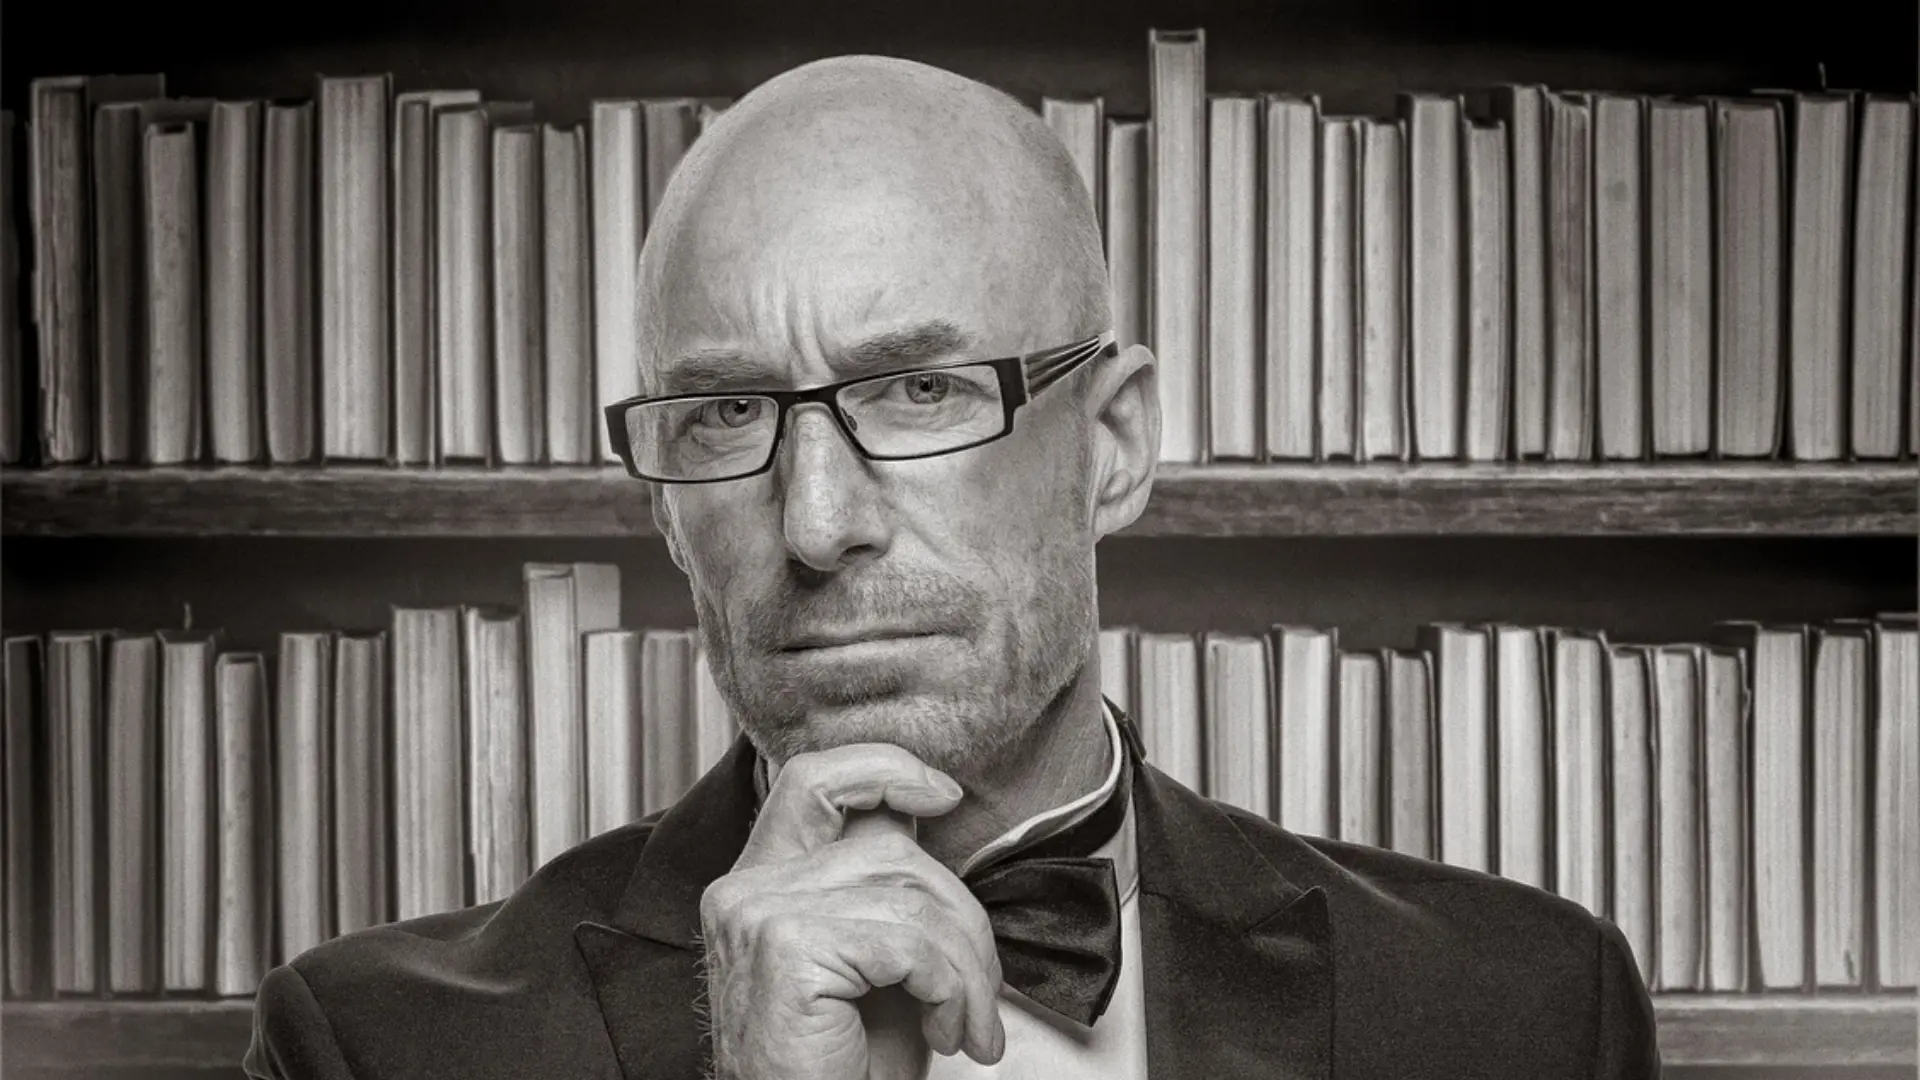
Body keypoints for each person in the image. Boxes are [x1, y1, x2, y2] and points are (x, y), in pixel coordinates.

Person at [243, 54, 1660, 1080]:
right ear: (665, 506)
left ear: (1113, 445)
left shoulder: (1528, 1015)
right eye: (726, 414)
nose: (816, 523)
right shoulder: (368, 1047)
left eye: (918, 391)